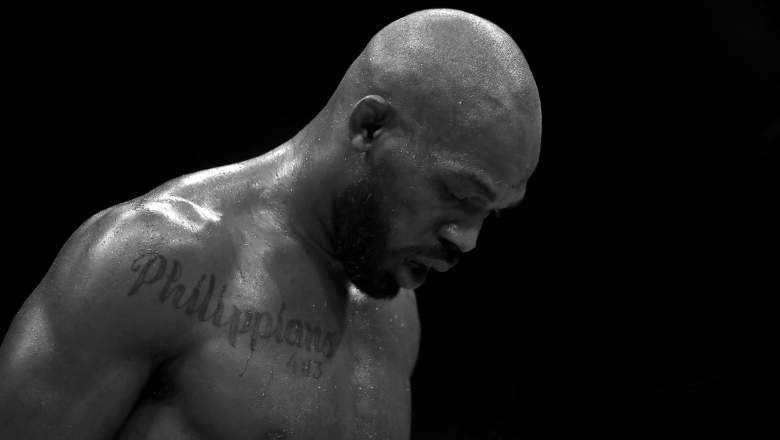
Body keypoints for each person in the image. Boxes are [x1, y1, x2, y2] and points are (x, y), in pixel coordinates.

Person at [0, 8, 540, 440]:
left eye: (489, 213)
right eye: (457, 195)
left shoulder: (395, 314)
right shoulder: (150, 259)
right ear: (371, 128)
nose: (466, 239)